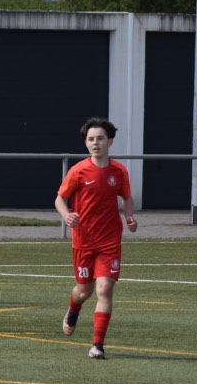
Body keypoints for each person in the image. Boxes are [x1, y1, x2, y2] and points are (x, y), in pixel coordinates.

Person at [55, 117, 138, 359]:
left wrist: (129, 216)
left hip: (109, 241)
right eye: (91, 139)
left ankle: (97, 345)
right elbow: (60, 198)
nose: (95, 143)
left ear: (109, 142)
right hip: (83, 241)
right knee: (84, 291)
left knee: (105, 288)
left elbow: (126, 196)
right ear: (86, 143)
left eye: (100, 138)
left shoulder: (119, 171)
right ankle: (73, 308)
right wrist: (67, 215)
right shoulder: (78, 170)